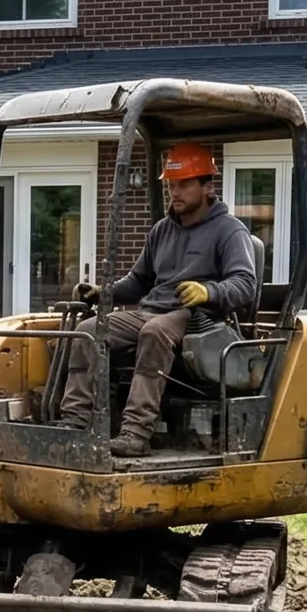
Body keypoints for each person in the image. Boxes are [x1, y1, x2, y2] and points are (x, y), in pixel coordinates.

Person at [55, 141, 259, 458]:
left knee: (155, 332)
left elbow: (246, 284)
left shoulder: (230, 231)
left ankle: (136, 433)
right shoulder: (162, 230)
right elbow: (139, 281)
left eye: (184, 184)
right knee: (89, 330)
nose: (175, 192)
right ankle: (76, 422)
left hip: (199, 318)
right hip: (151, 311)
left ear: (208, 186)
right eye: (171, 185)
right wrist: (103, 292)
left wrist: (209, 292)